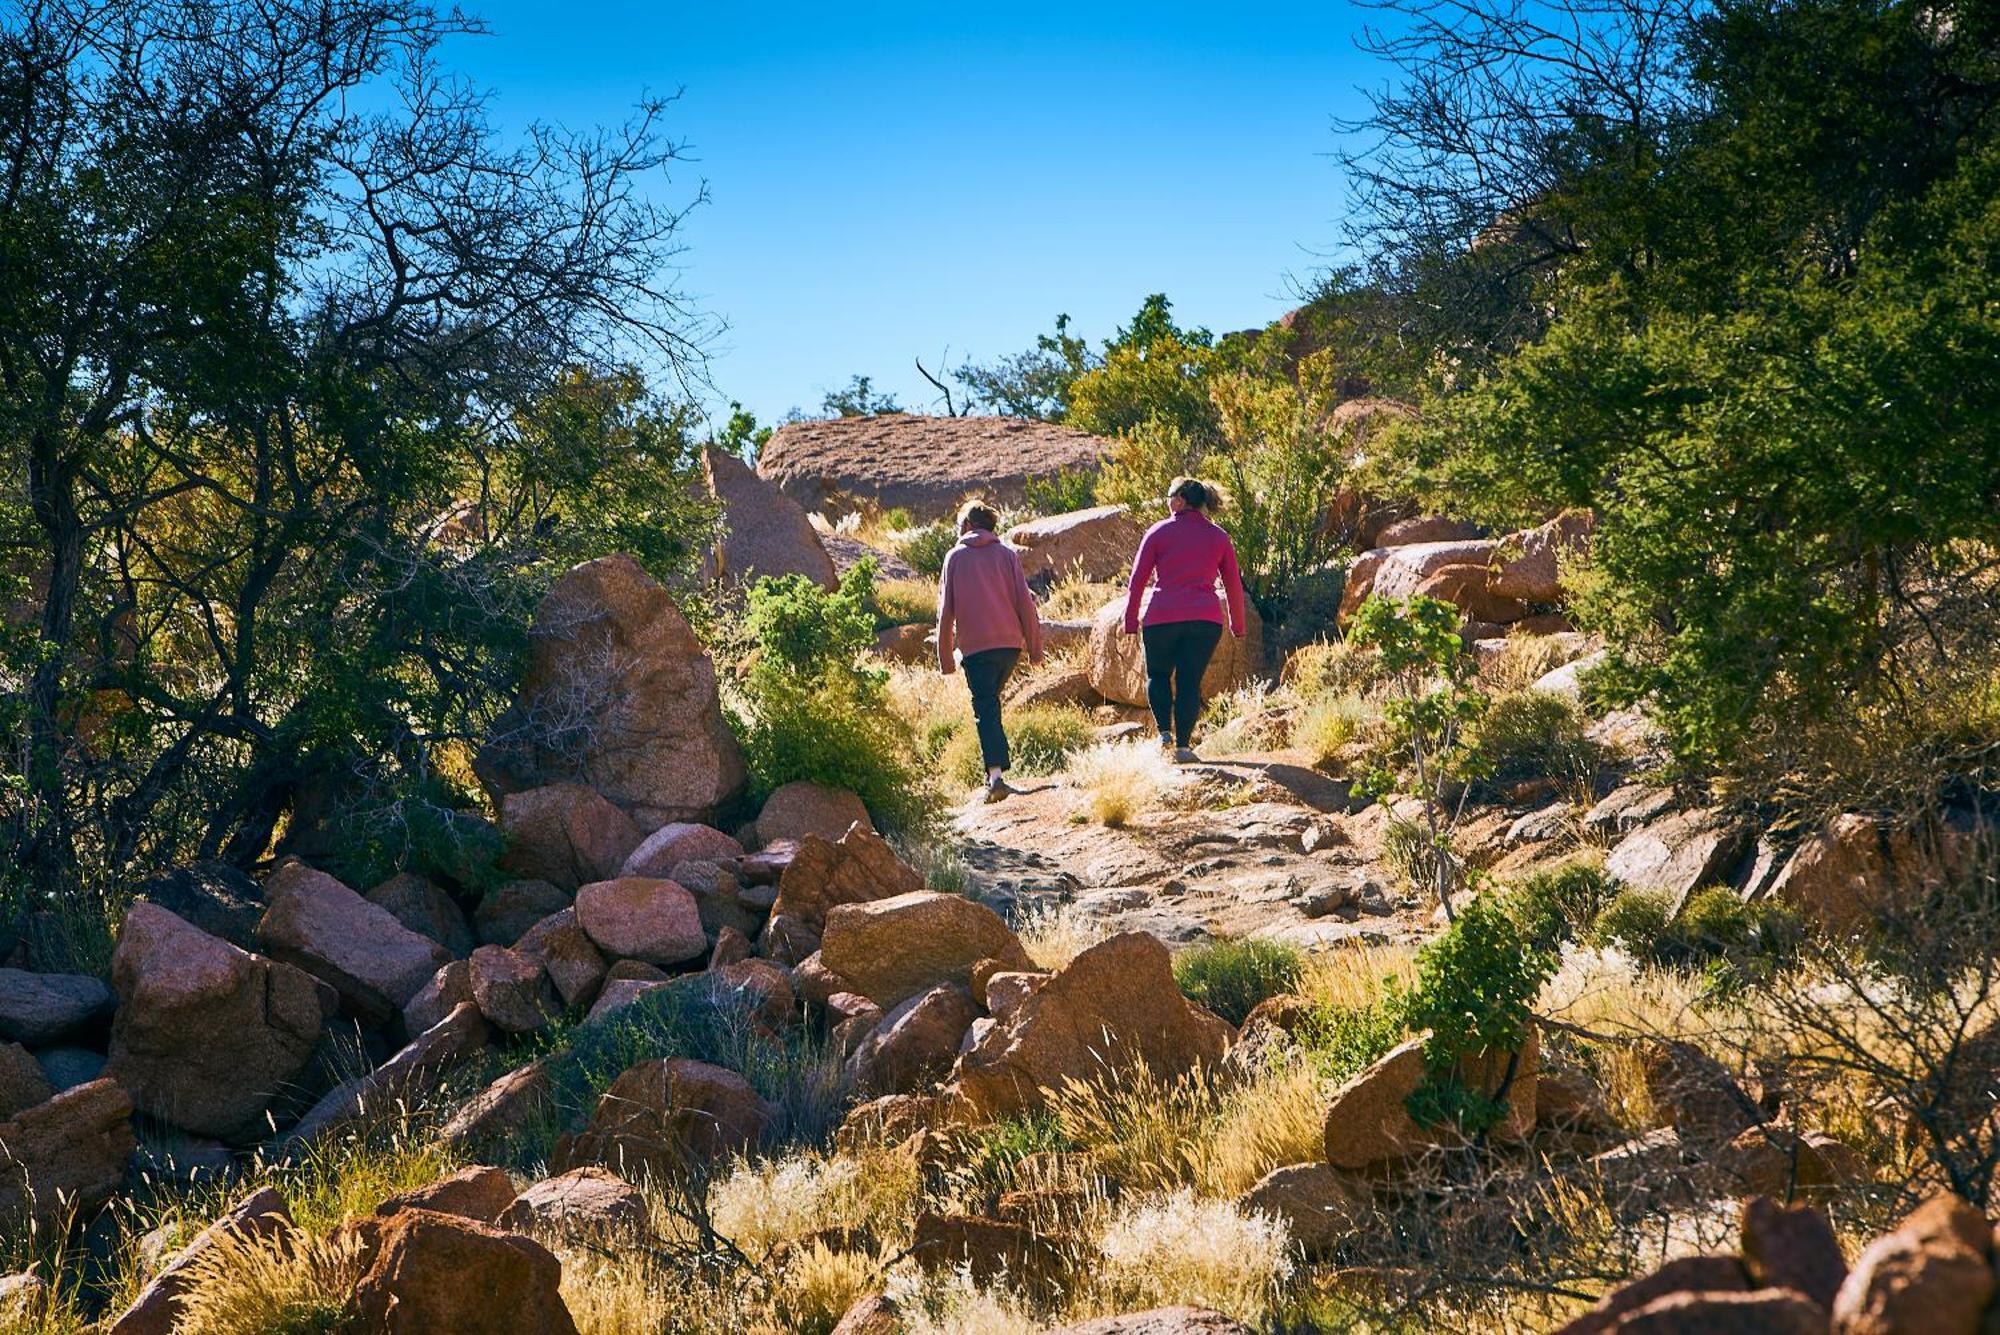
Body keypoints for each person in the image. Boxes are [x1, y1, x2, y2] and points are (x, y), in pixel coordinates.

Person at [1121, 476, 1248, 762]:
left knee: (1158, 675)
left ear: (1179, 500)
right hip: (1204, 620)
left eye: (1169, 497)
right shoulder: (1219, 537)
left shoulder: (1158, 532)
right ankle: (1183, 747)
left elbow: (1137, 581)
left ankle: (1164, 733)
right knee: (1190, 683)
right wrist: (1238, 625)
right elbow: (1233, 585)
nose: (1167, 502)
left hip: (1162, 617)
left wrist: (1130, 621)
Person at [936, 499, 1044, 801]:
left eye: (959, 526)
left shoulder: (954, 557)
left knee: (985, 706)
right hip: (1010, 646)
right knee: (990, 703)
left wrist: (945, 659)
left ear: (968, 525)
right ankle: (996, 771)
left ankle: (996, 777)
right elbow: (1026, 603)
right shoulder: (1007, 555)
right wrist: (1035, 649)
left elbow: (946, 611)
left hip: (977, 649)